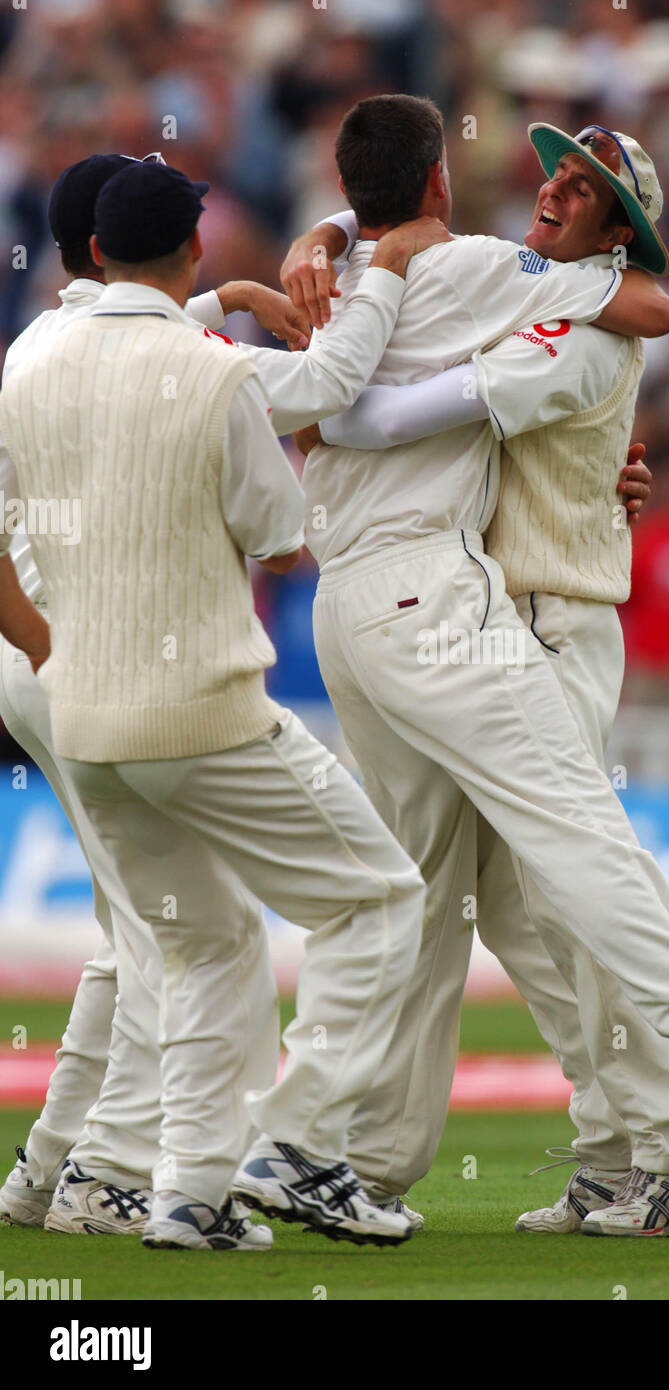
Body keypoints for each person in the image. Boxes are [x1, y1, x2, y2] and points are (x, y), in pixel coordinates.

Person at [234, 95, 669, 1238]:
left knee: (531, 885)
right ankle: (587, 1140)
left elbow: (646, 307)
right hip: (462, 609)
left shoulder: (574, 317)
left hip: (545, 618)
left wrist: (322, 325)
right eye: (555, 172)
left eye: (582, 188)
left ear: (618, 226)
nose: (551, 188)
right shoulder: (492, 281)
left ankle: (662, 1111)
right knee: (478, 903)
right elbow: (422, 274)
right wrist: (332, 239)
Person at [0, 158, 448, 1250]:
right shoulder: (218, 377)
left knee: (197, 943)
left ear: (96, 252)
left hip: (84, 713)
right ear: (193, 249)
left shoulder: (28, 358)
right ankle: (291, 1142)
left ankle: (186, 1195)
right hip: (202, 709)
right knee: (380, 898)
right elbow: (281, 534)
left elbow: (123, 354)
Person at [0, 151, 310, 1236]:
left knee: (135, 931)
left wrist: (227, 297)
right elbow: (284, 488)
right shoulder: (158, 353)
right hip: (101, 666)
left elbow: (163, 316)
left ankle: (53, 1169)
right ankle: (112, 1174)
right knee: (176, 932)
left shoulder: (42, 341)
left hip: (45, 665)